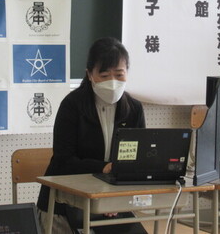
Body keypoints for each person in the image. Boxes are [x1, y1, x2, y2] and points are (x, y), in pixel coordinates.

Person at [36, 37, 146, 234]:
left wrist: (116, 200)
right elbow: (63, 160)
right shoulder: (72, 106)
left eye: (119, 74)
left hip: (113, 204)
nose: (112, 82)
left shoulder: (134, 109)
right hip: (64, 203)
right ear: (89, 74)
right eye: (104, 75)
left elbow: (137, 159)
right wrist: (103, 167)